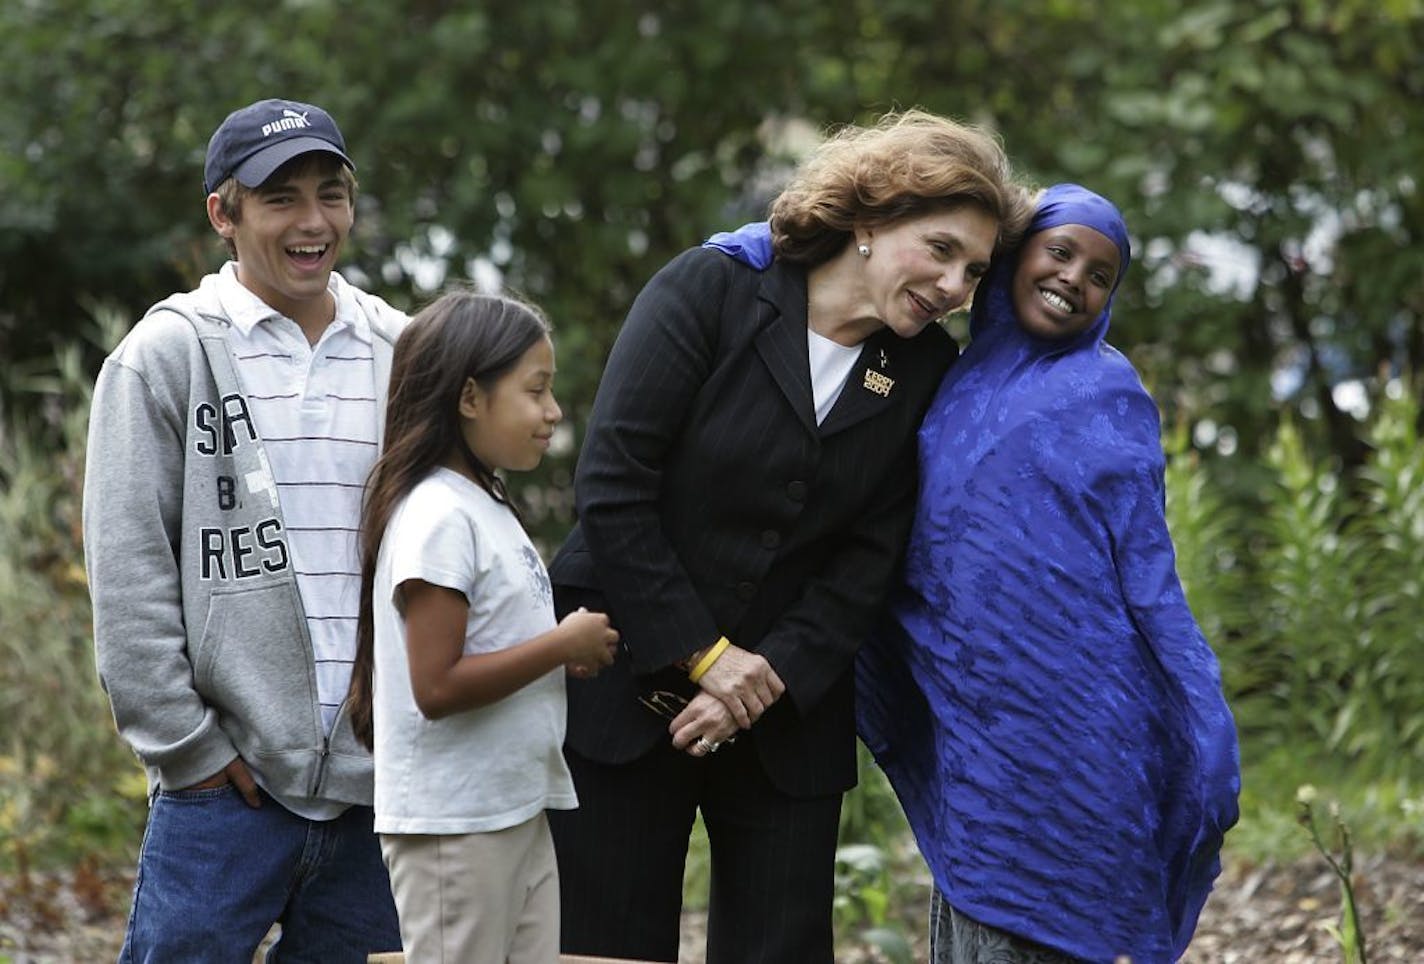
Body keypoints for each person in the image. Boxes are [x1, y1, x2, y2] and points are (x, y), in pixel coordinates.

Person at [545, 109, 1034, 963]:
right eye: (943, 249)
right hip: (620, 688)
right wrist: (705, 655)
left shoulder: (924, 372)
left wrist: (762, 678)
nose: (958, 287)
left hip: (786, 720)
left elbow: (870, 561)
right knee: (605, 950)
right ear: (872, 221)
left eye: (975, 271)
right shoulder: (710, 289)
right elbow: (613, 488)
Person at [853, 184, 1241, 963]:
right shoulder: (944, 379)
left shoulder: (1106, 393)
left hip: (1082, 721)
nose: (1075, 279)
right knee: (979, 885)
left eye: (1101, 275)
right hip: (971, 716)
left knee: (1054, 908)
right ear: (1013, 256)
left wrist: (1201, 711)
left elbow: (1148, 576)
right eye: (1059, 252)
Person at [83, 97, 405, 961]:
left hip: (378, 793)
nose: (313, 222)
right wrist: (187, 749)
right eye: (280, 198)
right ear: (223, 214)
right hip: (223, 795)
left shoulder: (404, 353)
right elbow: (129, 572)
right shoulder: (166, 356)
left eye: (330, 194)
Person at [346, 289, 619, 962]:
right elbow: (435, 686)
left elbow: (492, 646)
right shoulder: (437, 515)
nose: (553, 412)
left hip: (512, 809)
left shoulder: (484, 504)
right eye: (536, 391)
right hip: (455, 826)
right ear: (470, 397)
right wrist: (558, 643)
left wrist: (554, 655)